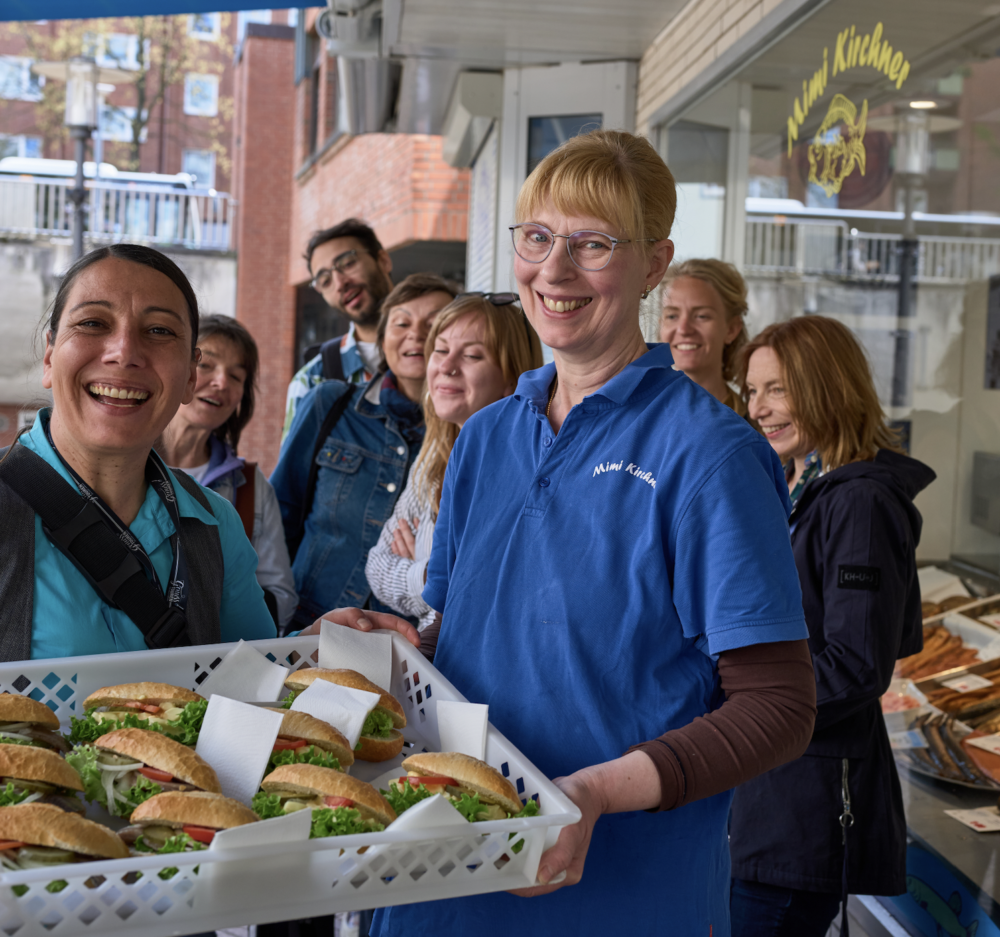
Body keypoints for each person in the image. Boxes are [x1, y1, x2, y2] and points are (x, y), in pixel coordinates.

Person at [304, 130, 817, 935]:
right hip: (440, 872)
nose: (555, 270)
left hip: (618, 893)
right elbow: (464, 640)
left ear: (653, 263)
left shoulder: (710, 453)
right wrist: (395, 646)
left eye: (593, 244)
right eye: (537, 238)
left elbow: (780, 705)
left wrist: (597, 791)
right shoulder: (486, 437)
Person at [729, 316, 933, 937]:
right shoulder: (801, 488)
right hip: (769, 795)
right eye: (752, 391)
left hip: (805, 812)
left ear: (826, 388)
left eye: (778, 390)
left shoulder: (860, 501)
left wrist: (739, 710)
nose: (759, 409)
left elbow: (855, 664)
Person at [0, 244, 277, 659]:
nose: (125, 352)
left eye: (160, 331)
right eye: (93, 322)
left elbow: (258, 677)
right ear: (50, 356)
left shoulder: (215, 524)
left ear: (188, 376)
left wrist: (320, 645)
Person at [272, 273, 457, 630]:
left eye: (433, 324)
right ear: (383, 337)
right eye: (401, 322)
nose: (415, 334)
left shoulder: (463, 436)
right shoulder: (329, 404)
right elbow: (281, 516)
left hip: (406, 639)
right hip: (312, 624)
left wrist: (413, 567)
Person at [365, 293, 543, 637]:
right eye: (441, 350)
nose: (446, 367)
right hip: (431, 665)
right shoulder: (434, 453)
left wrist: (424, 570)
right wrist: (431, 575)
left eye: (473, 355)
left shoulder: (527, 471)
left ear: (513, 378)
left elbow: (478, 596)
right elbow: (377, 567)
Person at [157, 315, 297, 631]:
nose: (221, 382)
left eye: (236, 376)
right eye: (206, 365)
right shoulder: (122, 463)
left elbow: (279, 595)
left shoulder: (250, 487)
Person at [282, 218, 394, 442]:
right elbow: (292, 476)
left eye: (348, 263)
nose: (340, 282)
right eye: (325, 280)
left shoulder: (442, 353)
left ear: (382, 260)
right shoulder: (313, 380)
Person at [659, 258, 749, 414]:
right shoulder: (638, 416)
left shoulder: (754, 428)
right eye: (672, 316)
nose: (684, 329)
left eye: (701, 316)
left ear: (732, 329)